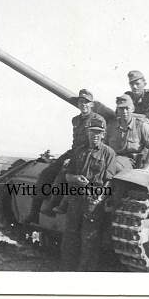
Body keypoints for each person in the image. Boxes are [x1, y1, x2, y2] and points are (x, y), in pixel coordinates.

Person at [24, 89, 105, 223]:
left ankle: (54, 206)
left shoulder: (97, 119)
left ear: (91, 104)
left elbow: (99, 141)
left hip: (88, 153)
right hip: (74, 151)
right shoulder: (76, 120)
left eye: (86, 102)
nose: (83, 104)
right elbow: (75, 143)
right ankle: (34, 213)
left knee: (63, 174)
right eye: (81, 101)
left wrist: (76, 158)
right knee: (46, 173)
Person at [59, 117, 117, 271]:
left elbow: (109, 181)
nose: (95, 135)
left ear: (103, 134)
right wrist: (75, 178)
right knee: (70, 236)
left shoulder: (108, 153)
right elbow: (67, 175)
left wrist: (99, 199)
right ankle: (67, 270)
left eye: (98, 132)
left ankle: (85, 274)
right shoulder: (79, 151)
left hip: (93, 201)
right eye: (92, 132)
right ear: (87, 133)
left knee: (89, 239)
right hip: (76, 198)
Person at [106, 94, 149, 172]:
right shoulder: (111, 127)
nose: (124, 112)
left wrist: (146, 168)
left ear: (132, 109)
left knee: (114, 166)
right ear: (117, 110)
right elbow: (104, 146)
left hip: (132, 162)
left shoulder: (141, 125)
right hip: (113, 159)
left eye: (127, 108)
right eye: (121, 109)